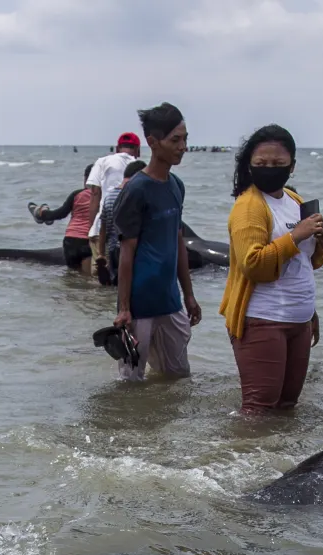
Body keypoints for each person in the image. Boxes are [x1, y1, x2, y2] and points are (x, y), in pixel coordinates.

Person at [218, 125, 323, 412]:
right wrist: (297, 235)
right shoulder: (249, 206)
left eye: (278, 164)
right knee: (259, 410)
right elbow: (254, 265)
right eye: (261, 164)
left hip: (299, 320)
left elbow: (307, 263)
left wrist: (322, 239)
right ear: (249, 165)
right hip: (263, 319)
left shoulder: (294, 201)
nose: (269, 169)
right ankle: (239, 457)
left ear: (292, 166)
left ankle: (281, 459)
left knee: (287, 407)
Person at [111, 103, 201, 380]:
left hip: (171, 302)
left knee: (178, 379)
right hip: (139, 306)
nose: (183, 146)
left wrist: (188, 295)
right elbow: (126, 252)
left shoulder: (176, 186)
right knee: (131, 384)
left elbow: (178, 243)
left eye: (185, 138)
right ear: (152, 142)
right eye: (175, 140)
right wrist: (124, 308)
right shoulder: (136, 189)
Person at [86, 132, 142, 268]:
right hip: (129, 231)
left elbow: (95, 194)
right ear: (138, 150)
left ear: (117, 149)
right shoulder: (140, 167)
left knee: (99, 275)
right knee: (126, 272)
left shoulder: (102, 162)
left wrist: (91, 228)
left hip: (102, 226)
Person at [31, 167, 96, 273]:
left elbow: (60, 214)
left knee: (72, 276)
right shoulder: (102, 196)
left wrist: (43, 214)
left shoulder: (77, 194)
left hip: (70, 240)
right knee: (85, 280)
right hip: (87, 242)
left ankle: (40, 212)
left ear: (85, 179)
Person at [99, 159, 147, 285]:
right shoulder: (134, 195)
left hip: (112, 250)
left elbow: (103, 229)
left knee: (117, 287)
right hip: (130, 251)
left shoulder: (108, 196)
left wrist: (101, 254)